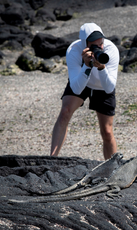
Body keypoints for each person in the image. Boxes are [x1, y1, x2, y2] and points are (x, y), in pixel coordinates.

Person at [50, 23, 119, 160]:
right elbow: (76, 88)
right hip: (81, 80)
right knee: (65, 112)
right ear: (84, 44)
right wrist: (86, 67)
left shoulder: (111, 50)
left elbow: (109, 88)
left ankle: (113, 168)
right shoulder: (74, 51)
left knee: (107, 131)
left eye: (101, 43)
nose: (99, 48)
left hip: (102, 85)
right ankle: (51, 160)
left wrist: (102, 68)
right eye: (94, 45)